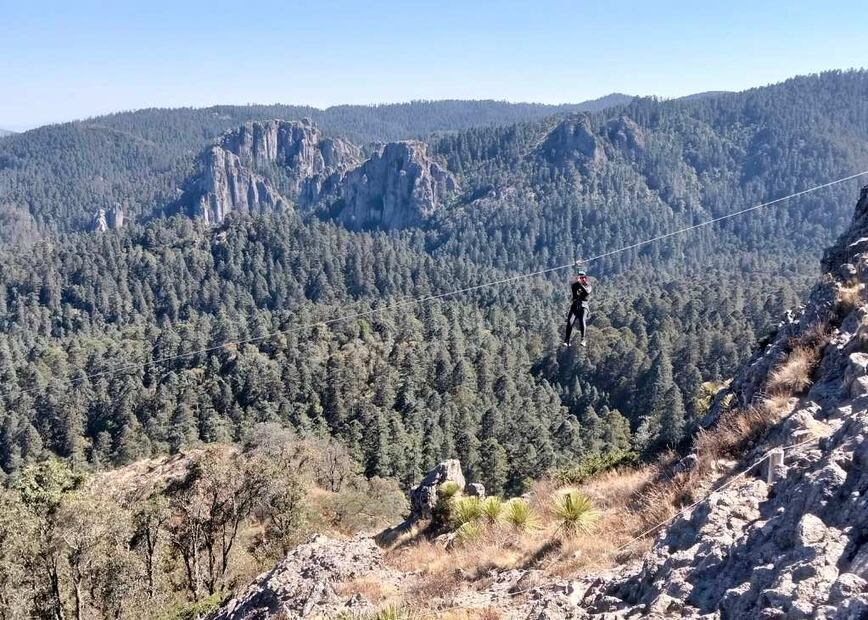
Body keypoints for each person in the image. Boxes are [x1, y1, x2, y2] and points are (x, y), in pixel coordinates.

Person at [563, 270, 591, 347]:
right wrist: (577, 282)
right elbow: (574, 290)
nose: (582, 279)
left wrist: (580, 284)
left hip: (583, 306)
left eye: (583, 277)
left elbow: (586, 293)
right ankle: (567, 340)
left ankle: (583, 339)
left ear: (585, 278)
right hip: (575, 306)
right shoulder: (575, 285)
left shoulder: (588, 286)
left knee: (582, 320)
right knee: (570, 322)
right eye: (580, 277)